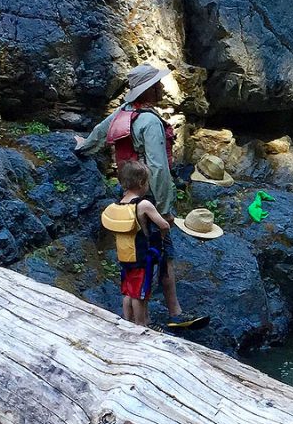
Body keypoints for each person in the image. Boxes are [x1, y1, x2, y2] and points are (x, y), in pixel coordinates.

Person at [78, 63, 202, 330]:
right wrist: (166, 207)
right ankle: (173, 313)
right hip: (149, 198)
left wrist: (82, 147)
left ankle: (132, 319)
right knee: (162, 253)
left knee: (132, 256)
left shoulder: (123, 113)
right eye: (156, 85)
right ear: (148, 89)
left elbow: (98, 135)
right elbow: (158, 168)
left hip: (125, 194)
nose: (160, 88)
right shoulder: (149, 122)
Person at [102, 161, 172, 327]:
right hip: (141, 257)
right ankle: (141, 325)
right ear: (141, 183)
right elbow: (164, 225)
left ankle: (127, 321)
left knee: (127, 291)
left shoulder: (119, 205)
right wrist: (161, 235)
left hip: (124, 256)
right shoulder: (143, 205)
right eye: (147, 182)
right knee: (140, 294)